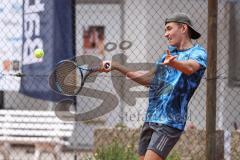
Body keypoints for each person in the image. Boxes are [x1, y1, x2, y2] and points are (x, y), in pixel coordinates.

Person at [100, 12, 207, 160]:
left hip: (170, 121)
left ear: (183, 28)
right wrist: (116, 66)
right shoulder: (166, 56)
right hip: (151, 119)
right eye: (165, 30)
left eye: (169, 29)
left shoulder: (198, 52)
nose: (165, 34)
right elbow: (148, 80)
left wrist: (173, 63)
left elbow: (190, 68)